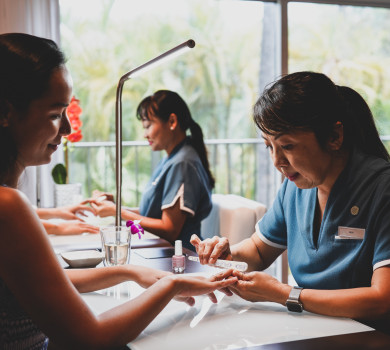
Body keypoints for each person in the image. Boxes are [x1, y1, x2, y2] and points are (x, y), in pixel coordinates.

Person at [0, 33, 237, 349]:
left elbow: (42, 284)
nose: (68, 131)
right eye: (56, 114)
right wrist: (170, 285)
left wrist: (130, 271)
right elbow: (89, 337)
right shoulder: (8, 206)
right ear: (6, 112)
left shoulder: (181, 162)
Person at [191, 71, 390, 330]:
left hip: (368, 337)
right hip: (312, 328)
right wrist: (227, 253)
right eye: (269, 146)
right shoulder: (295, 187)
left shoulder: (381, 189)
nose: (277, 162)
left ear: (334, 137)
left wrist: (284, 294)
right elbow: (260, 250)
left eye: (287, 146)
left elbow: (381, 299)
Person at [92, 90, 215, 250]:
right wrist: (115, 208)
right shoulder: (172, 159)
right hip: (161, 249)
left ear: (172, 121)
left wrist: (118, 212)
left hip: (179, 256)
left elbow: (169, 229)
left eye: (148, 126)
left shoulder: (182, 163)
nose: (145, 134)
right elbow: (151, 214)